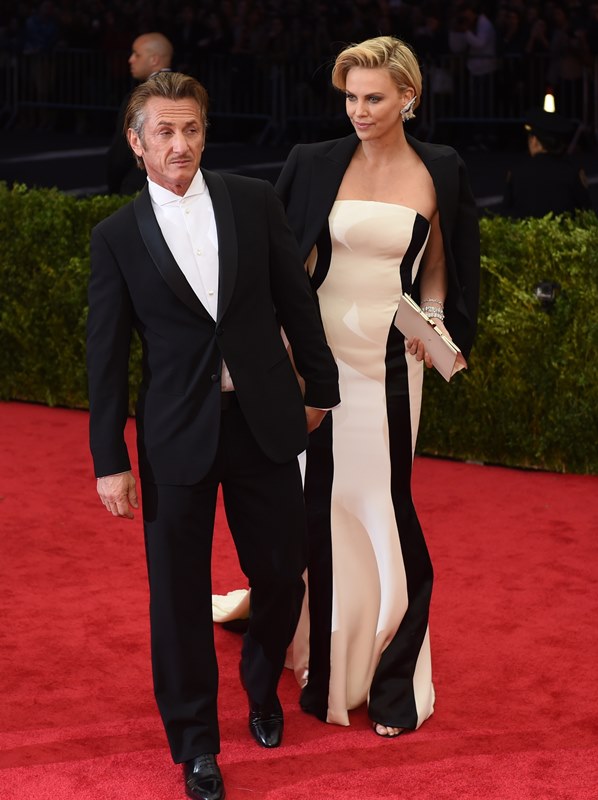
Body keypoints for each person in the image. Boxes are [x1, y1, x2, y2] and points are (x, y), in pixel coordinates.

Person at [86, 71, 340, 800]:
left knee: (281, 573)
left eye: (191, 129)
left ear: (205, 133)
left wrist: (320, 388)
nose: (180, 144)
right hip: (174, 436)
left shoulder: (252, 201)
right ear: (136, 143)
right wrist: (109, 458)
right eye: (164, 132)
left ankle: (261, 684)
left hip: (262, 422)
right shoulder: (116, 237)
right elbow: (105, 356)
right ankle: (195, 742)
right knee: (177, 597)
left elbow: (295, 301)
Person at [274, 35, 480, 738]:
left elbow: (440, 264)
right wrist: (285, 350)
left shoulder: (440, 169)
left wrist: (437, 322)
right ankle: (327, 658)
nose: (358, 111)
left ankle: (393, 671)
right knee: (320, 504)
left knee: (386, 504)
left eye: (373, 98)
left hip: (392, 365)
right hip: (317, 356)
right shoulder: (312, 161)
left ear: (407, 98)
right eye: (351, 98)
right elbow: (282, 262)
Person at [105, 32, 173, 194]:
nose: (131, 60)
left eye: (137, 54)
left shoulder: (139, 97)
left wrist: (114, 187)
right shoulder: (190, 93)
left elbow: (123, 151)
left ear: (154, 59)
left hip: (139, 187)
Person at [501, 107, 592, 218]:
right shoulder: (573, 172)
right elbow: (587, 213)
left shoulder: (516, 172)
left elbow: (505, 214)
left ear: (534, 141)